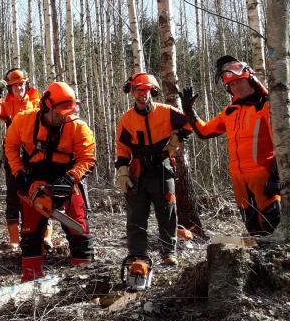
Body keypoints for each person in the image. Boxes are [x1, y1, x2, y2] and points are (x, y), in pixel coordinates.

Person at [4, 82, 95, 281]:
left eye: (67, 111)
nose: (64, 115)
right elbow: (10, 146)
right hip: (35, 179)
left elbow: (87, 158)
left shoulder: (78, 127)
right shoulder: (23, 120)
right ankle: (31, 278)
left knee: (79, 229)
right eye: (60, 111)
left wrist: (71, 178)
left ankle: (86, 279)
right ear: (46, 106)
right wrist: (20, 175)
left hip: (66, 177)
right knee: (30, 234)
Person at [181, 56, 280, 235]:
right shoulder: (230, 112)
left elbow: (282, 144)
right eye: (232, 85)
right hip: (239, 179)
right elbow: (204, 132)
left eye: (240, 81)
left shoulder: (266, 106)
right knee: (253, 230)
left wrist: (276, 176)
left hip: (263, 177)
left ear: (250, 79)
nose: (237, 87)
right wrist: (189, 111)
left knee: (273, 229)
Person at [115, 73, 191, 267]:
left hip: (162, 167)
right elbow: (122, 149)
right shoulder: (126, 120)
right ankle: (137, 256)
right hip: (138, 169)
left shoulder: (165, 111)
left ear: (152, 91)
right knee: (136, 216)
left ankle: (168, 252)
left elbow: (190, 122)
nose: (143, 94)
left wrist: (176, 140)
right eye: (139, 90)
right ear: (133, 92)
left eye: (146, 90)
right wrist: (123, 171)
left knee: (167, 212)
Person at [0, 68, 45, 250]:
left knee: (40, 191)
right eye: (14, 86)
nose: (18, 88)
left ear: (26, 85)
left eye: (21, 84)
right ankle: (14, 238)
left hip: (34, 152)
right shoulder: (7, 105)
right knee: (13, 193)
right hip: (12, 150)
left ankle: (44, 234)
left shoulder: (37, 102)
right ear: (10, 88)